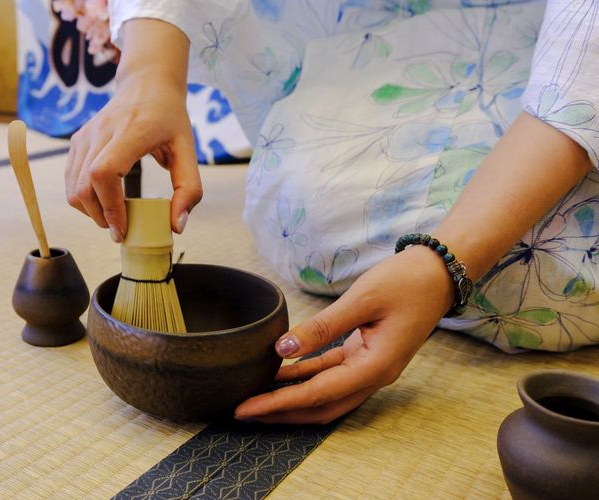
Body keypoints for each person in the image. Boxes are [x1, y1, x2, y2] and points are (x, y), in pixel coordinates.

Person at [64, 0, 599, 424]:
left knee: (538, 269)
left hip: (567, 44)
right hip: (383, 25)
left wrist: (440, 267)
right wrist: (148, 74)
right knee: (309, 209)